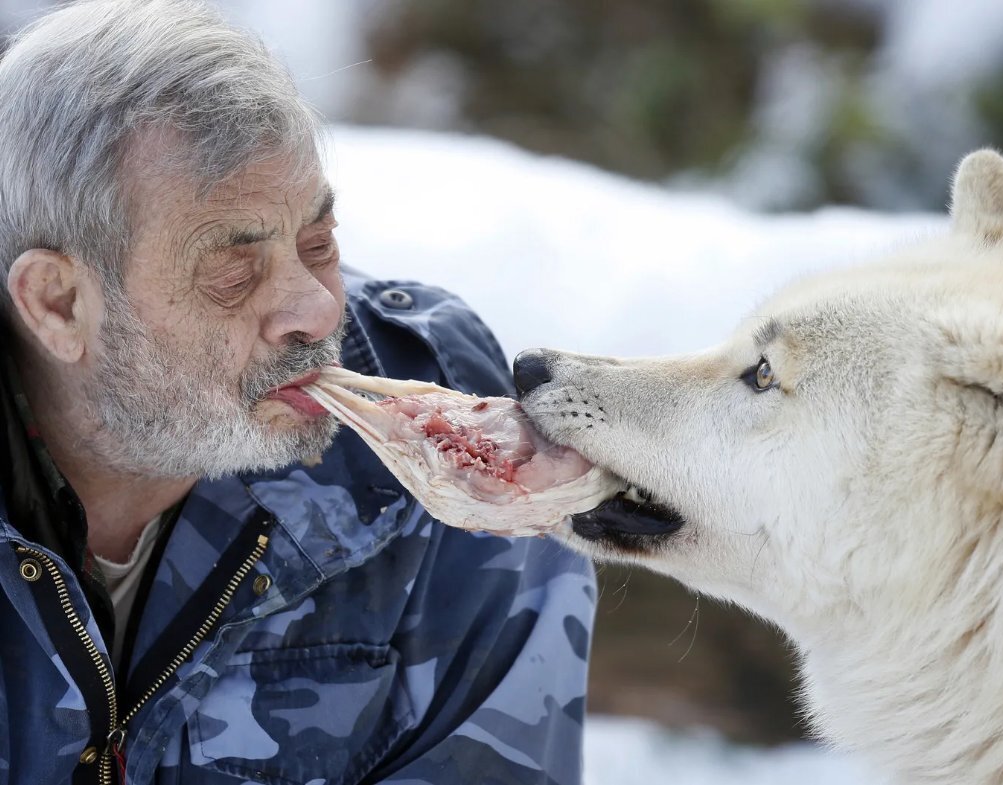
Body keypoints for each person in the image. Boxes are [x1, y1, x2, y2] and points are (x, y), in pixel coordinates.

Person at [0, 1, 596, 783]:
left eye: (319, 244)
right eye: (231, 271)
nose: (317, 309)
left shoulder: (434, 416)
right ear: (58, 303)